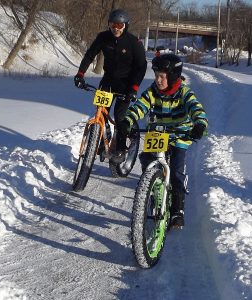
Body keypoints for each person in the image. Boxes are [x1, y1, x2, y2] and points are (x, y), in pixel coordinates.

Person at [117, 53, 208, 228]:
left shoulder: (184, 93)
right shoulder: (152, 91)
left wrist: (199, 124)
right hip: (157, 134)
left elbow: (196, 109)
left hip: (179, 135)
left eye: (162, 77)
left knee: (176, 171)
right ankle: (151, 188)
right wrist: (128, 120)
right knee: (147, 160)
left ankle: (177, 210)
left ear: (173, 77)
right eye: (156, 76)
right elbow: (140, 106)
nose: (158, 80)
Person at [74, 9, 147, 163]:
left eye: (119, 25)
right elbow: (89, 55)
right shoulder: (103, 37)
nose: (115, 28)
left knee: (120, 116)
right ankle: (98, 143)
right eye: (112, 25)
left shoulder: (134, 42)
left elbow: (141, 66)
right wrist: (80, 74)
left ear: (125, 26)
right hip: (108, 81)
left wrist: (134, 89)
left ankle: (120, 148)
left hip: (126, 84)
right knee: (101, 112)